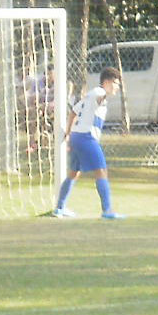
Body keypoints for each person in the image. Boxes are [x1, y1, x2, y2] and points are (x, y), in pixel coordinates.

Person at [53, 67, 124, 219]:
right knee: (101, 171)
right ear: (107, 82)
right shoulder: (99, 92)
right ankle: (107, 210)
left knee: (73, 173)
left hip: (77, 136)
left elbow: (74, 112)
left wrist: (69, 133)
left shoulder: (90, 96)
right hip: (86, 137)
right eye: (115, 83)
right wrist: (103, 96)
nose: (117, 87)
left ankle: (59, 208)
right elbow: (99, 96)